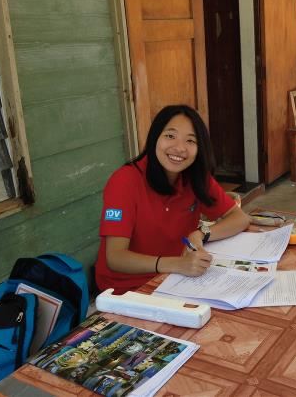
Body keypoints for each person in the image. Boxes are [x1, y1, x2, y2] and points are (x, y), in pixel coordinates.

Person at [95, 105, 250, 295]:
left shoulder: (194, 177)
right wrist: (177, 264)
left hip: (176, 278)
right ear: (154, 138)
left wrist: (202, 233)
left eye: (190, 140)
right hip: (128, 289)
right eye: (170, 136)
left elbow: (240, 218)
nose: (179, 148)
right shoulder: (124, 181)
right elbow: (116, 257)